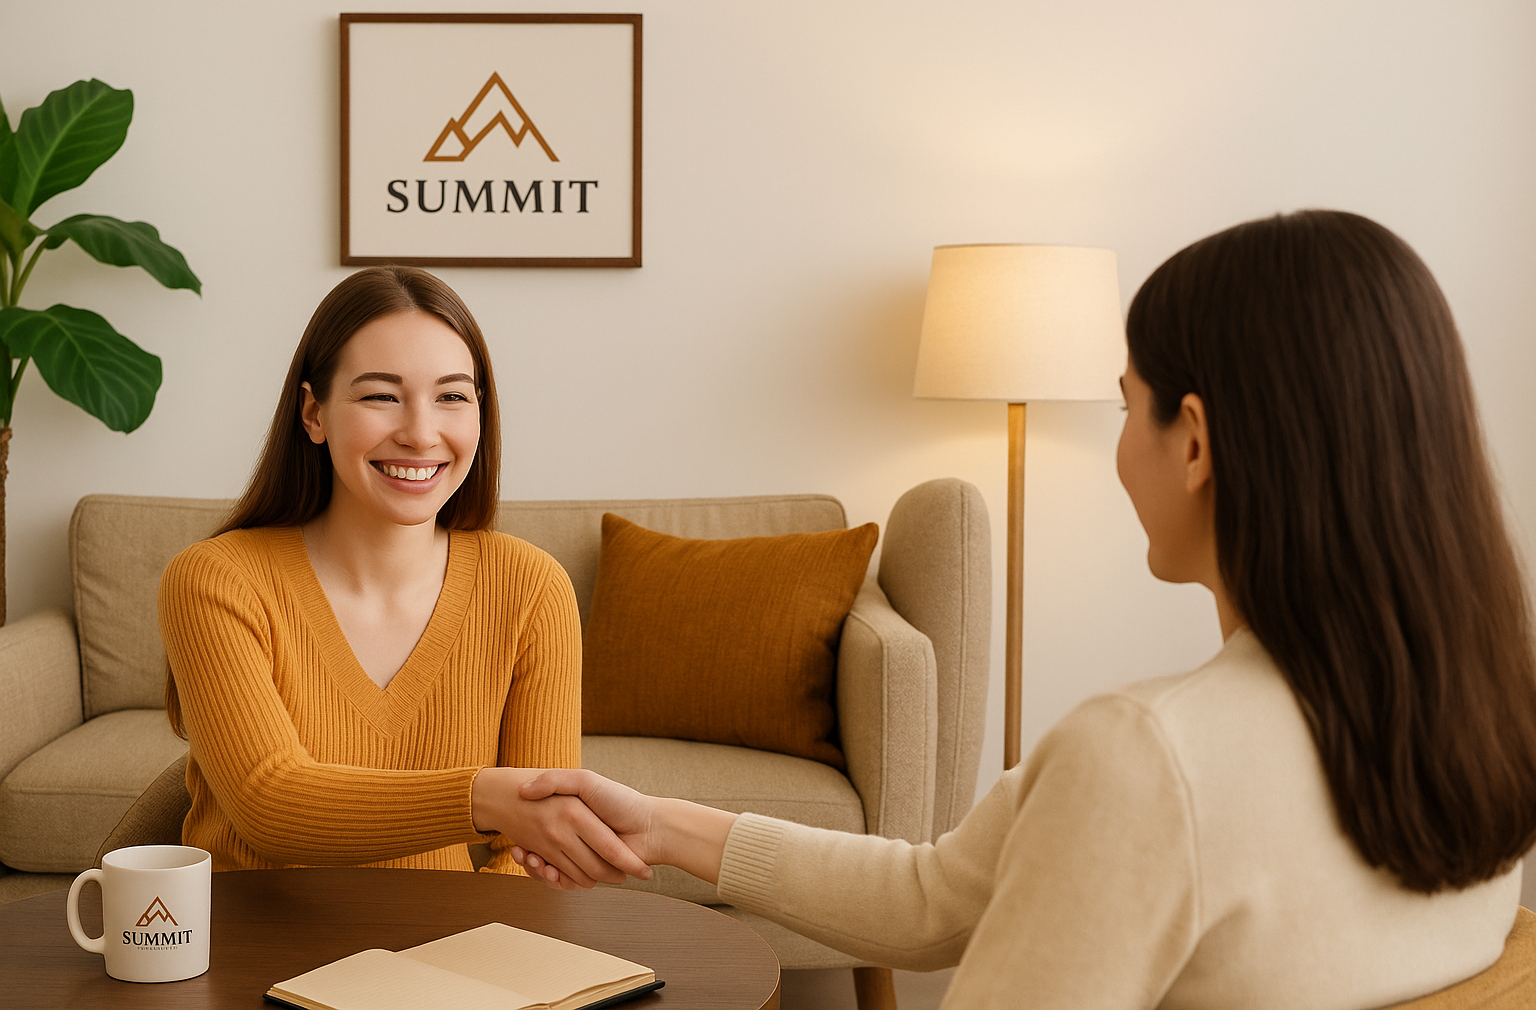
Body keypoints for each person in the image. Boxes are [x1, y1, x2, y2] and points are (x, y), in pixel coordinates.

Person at [508, 211, 1536, 1008]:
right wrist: (671, 827)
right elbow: (932, 897)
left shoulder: (1145, 759)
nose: (1121, 444)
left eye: (1126, 403)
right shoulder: (1481, 717)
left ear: (1195, 442)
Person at [159, 266, 648, 886]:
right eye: (380, 395)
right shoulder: (215, 580)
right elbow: (268, 805)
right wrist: (487, 798)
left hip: (451, 958)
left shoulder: (531, 588)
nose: (420, 433)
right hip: (257, 952)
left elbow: (530, 858)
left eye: (451, 396)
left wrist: (462, 967)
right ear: (314, 413)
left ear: (479, 416)